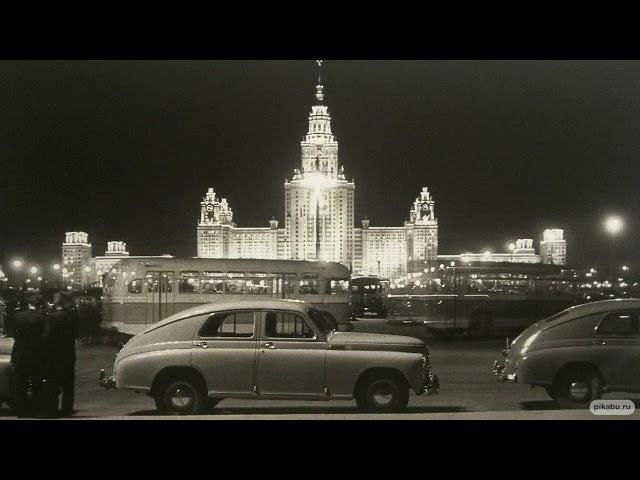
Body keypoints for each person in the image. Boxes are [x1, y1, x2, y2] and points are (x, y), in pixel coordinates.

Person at [43, 292, 79, 418]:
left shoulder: (53, 317)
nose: (53, 298)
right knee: (68, 383)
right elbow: (76, 334)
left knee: (52, 383)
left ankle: (52, 410)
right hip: (68, 353)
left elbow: (46, 337)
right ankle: (67, 409)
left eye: (56, 297)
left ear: (60, 301)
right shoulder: (73, 317)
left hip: (55, 355)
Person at [10, 295, 46, 418]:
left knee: (20, 385)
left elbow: (13, 334)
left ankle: (21, 411)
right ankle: (37, 410)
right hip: (36, 355)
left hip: (19, 354)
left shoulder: (17, 317)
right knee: (37, 385)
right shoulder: (41, 319)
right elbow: (43, 338)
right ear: (39, 306)